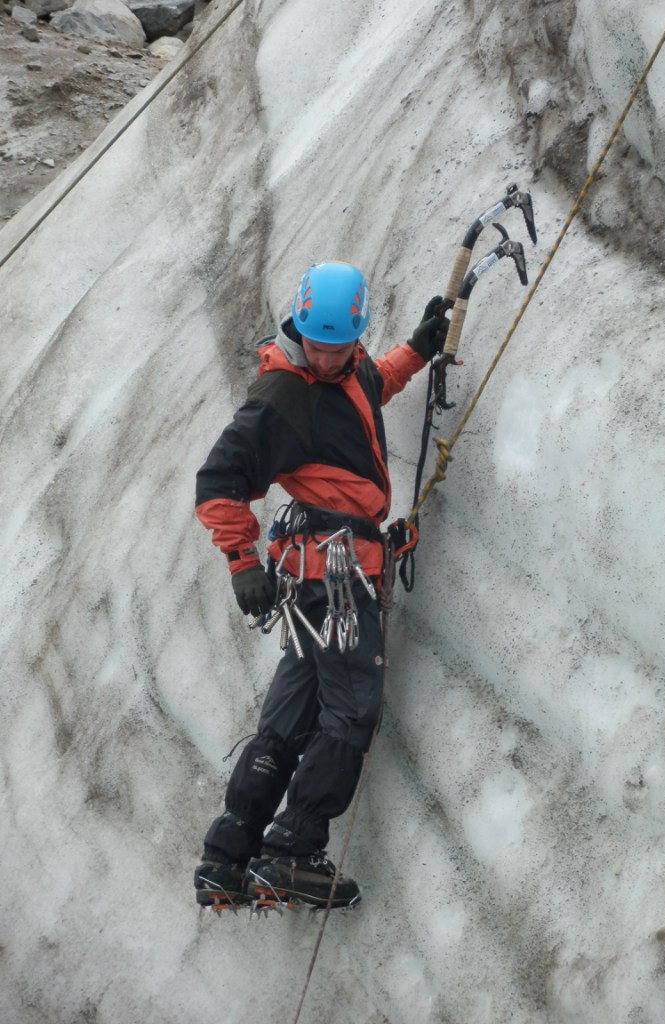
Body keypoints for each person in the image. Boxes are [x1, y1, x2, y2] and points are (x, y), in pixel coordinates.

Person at [193, 260, 448, 909]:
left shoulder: (349, 366)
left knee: (294, 712)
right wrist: (241, 560)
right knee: (351, 710)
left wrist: (417, 350)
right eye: (320, 345)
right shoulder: (283, 395)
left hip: (322, 577)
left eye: (341, 344)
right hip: (336, 575)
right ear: (301, 329)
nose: (330, 356)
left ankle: (232, 850)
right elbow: (218, 480)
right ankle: (293, 851)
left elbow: (371, 383)